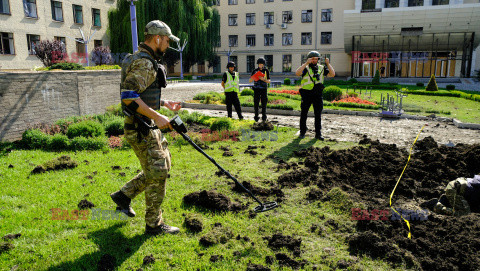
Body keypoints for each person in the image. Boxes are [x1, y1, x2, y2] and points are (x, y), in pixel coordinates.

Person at [110, 20, 182, 235]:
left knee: (162, 166)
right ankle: (154, 225)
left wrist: (164, 104)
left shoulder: (143, 59)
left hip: (148, 126)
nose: (168, 45)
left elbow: (142, 94)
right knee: (158, 172)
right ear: (157, 38)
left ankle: (123, 196)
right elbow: (129, 97)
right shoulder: (144, 63)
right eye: (167, 40)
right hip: (141, 128)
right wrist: (157, 116)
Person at [295, 51, 335, 140]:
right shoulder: (305, 68)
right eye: (312, 58)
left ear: (318, 59)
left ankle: (318, 134)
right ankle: (302, 132)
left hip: (317, 94)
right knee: (304, 113)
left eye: (316, 58)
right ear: (309, 59)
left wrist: (328, 64)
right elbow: (297, 73)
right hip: (307, 94)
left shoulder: (321, 68)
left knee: (318, 114)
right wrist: (306, 63)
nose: (314, 60)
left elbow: (332, 74)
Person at [249, 57, 271, 122]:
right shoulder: (254, 71)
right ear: (258, 64)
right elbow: (250, 80)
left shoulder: (266, 71)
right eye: (259, 64)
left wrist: (263, 79)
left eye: (262, 64)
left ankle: (264, 117)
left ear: (264, 64)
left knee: (264, 103)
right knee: (256, 104)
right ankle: (256, 117)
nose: (261, 65)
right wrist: (255, 76)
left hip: (264, 89)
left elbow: (269, 81)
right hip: (256, 89)